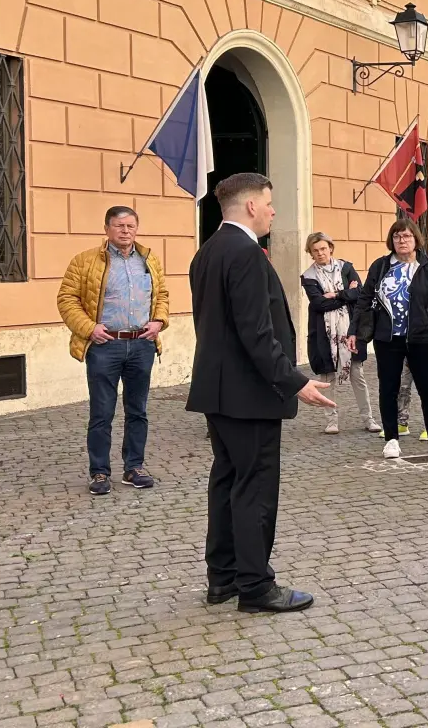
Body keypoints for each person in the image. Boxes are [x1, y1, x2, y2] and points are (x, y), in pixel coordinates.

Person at [187, 172, 335, 613]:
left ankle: (224, 577)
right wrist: (294, 381)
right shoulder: (245, 253)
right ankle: (254, 586)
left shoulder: (208, 251)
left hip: (219, 391)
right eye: (269, 203)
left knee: (227, 482)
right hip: (249, 394)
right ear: (251, 205)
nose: (273, 211)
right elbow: (255, 333)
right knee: (253, 488)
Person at [57, 205, 170, 496]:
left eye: (131, 226)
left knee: (138, 411)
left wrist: (159, 321)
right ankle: (99, 472)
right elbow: (67, 299)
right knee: (102, 412)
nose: (125, 231)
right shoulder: (85, 261)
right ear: (106, 229)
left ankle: (134, 467)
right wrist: (89, 328)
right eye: (119, 226)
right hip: (105, 346)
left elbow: (162, 295)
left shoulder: (149, 259)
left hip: (142, 344)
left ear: (137, 229)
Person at [355, 218, 428, 459]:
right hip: (388, 339)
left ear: (416, 238)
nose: (401, 240)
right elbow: (365, 300)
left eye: (406, 236)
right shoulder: (381, 266)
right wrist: (355, 332)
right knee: (388, 388)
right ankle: (391, 439)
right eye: (396, 236)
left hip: (421, 337)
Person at [301, 232, 377, 436]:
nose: (320, 253)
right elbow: (319, 304)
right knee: (328, 378)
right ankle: (331, 421)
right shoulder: (308, 277)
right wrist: (346, 295)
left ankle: (368, 419)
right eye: (315, 250)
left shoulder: (346, 268)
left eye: (323, 249)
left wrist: (335, 294)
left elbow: (360, 294)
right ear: (311, 253)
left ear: (330, 248)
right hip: (324, 334)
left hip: (350, 332)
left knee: (358, 376)